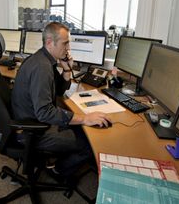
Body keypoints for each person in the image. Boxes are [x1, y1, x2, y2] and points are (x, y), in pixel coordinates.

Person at [11, 22, 111, 179]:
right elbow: (45, 113)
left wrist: (66, 69)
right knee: (88, 143)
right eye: (65, 43)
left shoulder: (44, 59)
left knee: (82, 128)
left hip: (34, 121)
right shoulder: (42, 68)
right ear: (50, 42)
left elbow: (57, 91)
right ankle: (58, 170)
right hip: (33, 131)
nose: (68, 48)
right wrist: (85, 118)